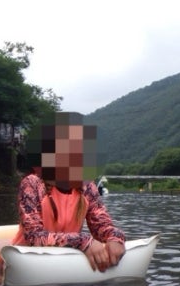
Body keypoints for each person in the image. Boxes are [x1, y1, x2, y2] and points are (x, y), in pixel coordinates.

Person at [12, 112, 126, 272]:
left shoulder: (88, 188)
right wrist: (83, 241)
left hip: (67, 261)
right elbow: (34, 237)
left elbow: (102, 225)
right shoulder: (32, 184)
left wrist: (116, 238)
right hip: (28, 262)